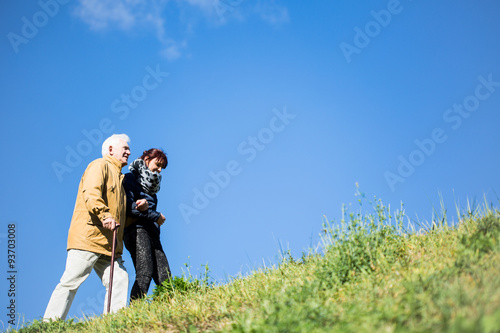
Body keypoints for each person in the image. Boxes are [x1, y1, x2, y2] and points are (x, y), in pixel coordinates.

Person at [44, 134, 131, 321]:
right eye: (124, 148)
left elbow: (122, 218)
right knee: (71, 280)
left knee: (120, 279)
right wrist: (105, 215)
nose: (129, 152)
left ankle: (114, 322)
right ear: (110, 150)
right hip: (88, 238)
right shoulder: (99, 165)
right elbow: (91, 193)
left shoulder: (120, 180)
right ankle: (49, 324)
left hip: (109, 245)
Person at [123, 148, 172, 301]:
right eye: (157, 164)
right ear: (146, 159)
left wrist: (154, 221)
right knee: (145, 271)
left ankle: (172, 306)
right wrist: (155, 216)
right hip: (135, 231)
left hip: (151, 232)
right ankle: (134, 311)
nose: (159, 170)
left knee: (165, 274)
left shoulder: (153, 190)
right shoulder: (130, 178)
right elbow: (129, 208)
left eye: (162, 168)